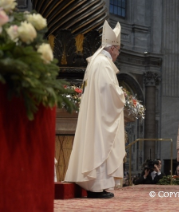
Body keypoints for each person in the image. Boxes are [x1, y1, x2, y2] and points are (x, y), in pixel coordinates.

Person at [64, 21, 125, 199]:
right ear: (112, 48)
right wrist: (121, 95)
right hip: (100, 116)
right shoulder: (103, 64)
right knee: (100, 145)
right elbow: (109, 90)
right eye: (118, 50)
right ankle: (96, 186)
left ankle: (99, 186)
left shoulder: (95, 62)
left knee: (98, 145)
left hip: (97, 113)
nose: (118, 54)